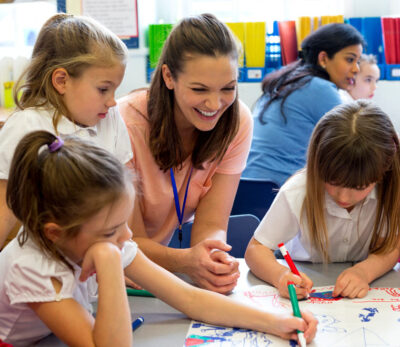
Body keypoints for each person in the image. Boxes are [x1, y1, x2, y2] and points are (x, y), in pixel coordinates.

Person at [0, 130, 318, 346]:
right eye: (111, 232)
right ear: (55, 233)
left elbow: (188, 298)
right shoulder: (31, 266)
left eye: (123, 223)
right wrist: (111, 264)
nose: (126, 236)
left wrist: (275, 322)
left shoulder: (101, 238)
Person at [118, 14, 253, 294]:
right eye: (199, 89)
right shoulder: (124, 124)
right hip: (110, 272)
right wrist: (186, 262)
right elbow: (127, 243)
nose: (215, 104)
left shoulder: (237, 121)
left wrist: (213, 258)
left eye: (228, 88)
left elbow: (213, 224)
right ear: (169, 77)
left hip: (155, 274)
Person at [0, 13, 132, 249]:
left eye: (115, 90)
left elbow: (121, 199)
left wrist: (123, 248)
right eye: (103, 89)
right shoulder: (26, 126)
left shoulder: (109, 118)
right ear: (61, 81)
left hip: (100, 253)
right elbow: (4, 209)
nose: (113, 101)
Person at [245, 100, 400, 300]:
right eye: (333, 182)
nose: (343, 197)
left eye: (359, 188)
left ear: (381, 174)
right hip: (306, 279)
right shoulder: (298, 192)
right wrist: (281, 275)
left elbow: (390, 247)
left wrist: (364, 272)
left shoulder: (390, 191)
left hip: (366, 291)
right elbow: (257, 249)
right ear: (318, 165)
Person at [243, 23, 365, 187]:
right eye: (350, 59)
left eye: (358, 61)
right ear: (323, 59)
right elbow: (358, 145)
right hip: (279, 190)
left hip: (245, 187)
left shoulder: (287, 80)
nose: (356, 69)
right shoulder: (320, 89)